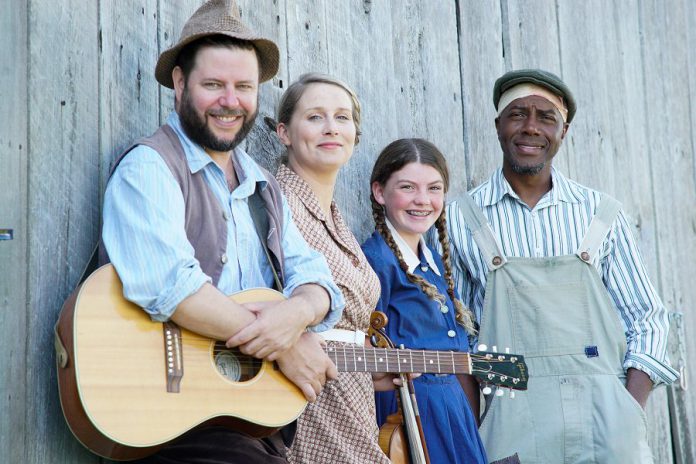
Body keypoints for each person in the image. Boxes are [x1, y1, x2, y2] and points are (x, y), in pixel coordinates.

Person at [101, 1, 345, 462]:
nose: (230, 101)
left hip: (242, 421)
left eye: (244, 87)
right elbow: (171, 285)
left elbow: (316, 278)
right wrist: (282, 343)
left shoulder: (261, 184)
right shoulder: (150, 167)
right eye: (213, 85)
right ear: (179, 84)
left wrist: (299, 314)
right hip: (169, 412)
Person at [442, 69, 678, 463]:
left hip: (607, 421)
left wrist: (628, 410)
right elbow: (461, 340)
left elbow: (648, 319)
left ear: (563, 132)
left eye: (546, 117)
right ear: (498, 125)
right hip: (511, 418)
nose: (531, 127)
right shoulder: (460, 220)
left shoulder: (601, 214)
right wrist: (474, 429)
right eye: (517, 114)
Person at [274, 73, 390, 463]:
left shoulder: (338, 219)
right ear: (284, 132)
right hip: (304, 402)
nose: (331, 128)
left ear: (355, 135)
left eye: (342, 118)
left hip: (349, 395)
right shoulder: (276, 203)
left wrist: (371, 365)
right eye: (315, 117)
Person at [361, 138, 488, 464]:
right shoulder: (377, 261)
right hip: (410, 413)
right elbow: (364, 346)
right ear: (379, 192)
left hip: (450, 411)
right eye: (407, 187)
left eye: (434, 189)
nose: (423, 200)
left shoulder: (431, 258)